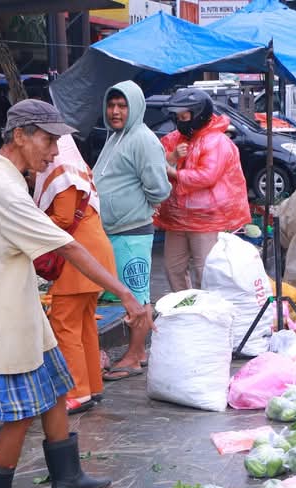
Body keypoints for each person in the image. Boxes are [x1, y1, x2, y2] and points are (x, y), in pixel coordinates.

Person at [0, 99, 151, 488]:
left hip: (22, 308)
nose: (54, 151)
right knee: (19, 413)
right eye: (49, 139)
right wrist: (128, 297)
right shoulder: (1, 188)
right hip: (2, 316)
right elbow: (69, 247)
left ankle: (66, 477)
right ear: (20, 135)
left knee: (57, 387)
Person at [93, 81, 172, 383]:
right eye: (111, 105)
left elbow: (159, 188)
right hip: (113, 231)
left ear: (135, 107)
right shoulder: (115, 137)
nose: (115, 111)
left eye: (122, 105)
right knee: (127, 294)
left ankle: (135, 354)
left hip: (132, 232)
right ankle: (136, 352)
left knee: (137, 296)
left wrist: (140, 206)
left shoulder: (142, 139)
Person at [35, 135, 116, 415]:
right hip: (92, 251)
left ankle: (76, 392)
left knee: (65, 325)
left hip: (77, 256)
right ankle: (92, 386)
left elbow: (64, 219)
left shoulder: (63, 174)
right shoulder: (78, 170)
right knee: (83, 324)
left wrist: (25, 222)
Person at [155, 88, 251, 293]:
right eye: (178, 117)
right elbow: (156, 162)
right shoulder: (174, 139)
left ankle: (209, 311)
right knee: (174, 268)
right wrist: (172, 158)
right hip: (177, 219)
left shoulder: (217, 142)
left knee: (204, 270)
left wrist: (174, 173)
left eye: (184, 116)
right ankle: (184, 309)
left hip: (206, 219)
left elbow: (207, 176)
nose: (180, 121)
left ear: (198, 114)